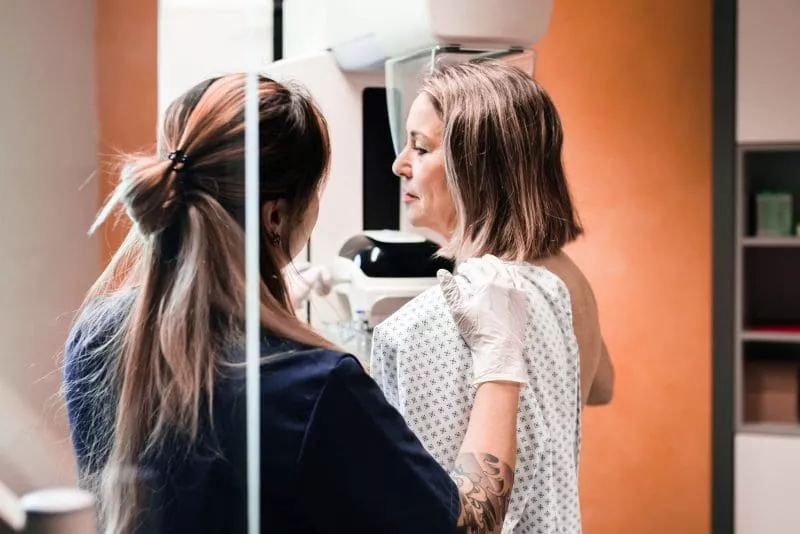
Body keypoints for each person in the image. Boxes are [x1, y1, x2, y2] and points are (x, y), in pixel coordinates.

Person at [62, 73, 531, 534]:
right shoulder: (318, 387)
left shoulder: (94, 337)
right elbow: (469, 526)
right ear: (276, 215)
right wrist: (500, 363)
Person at [370, 61, 613, 533]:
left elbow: (439, 513)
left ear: (476, 170)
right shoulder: (560, 283)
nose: (399, 164)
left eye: (420, 148)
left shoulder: (433, 323)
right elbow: (600, 387)